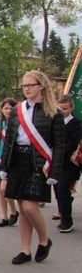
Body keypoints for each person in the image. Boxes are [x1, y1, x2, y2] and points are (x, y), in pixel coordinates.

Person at [0, 70, 64, 264]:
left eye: (30, 85)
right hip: (18, 160)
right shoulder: (18, 110)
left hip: (38, 163)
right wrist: (4, 170)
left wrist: (55, 172)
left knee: (30, 207)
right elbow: (9, 141)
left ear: (41, 86)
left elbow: (59, 145)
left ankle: (44, 239)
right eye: (24, 86)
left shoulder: (54, 112)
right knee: (21, 206)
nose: (26, 89)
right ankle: (25, 249)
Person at [52, 94, 81, 233]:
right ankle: (64, 207)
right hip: (56, 163)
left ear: (72, 107)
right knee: (57, 190)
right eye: (59, 108)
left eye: (65, 108)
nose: (62, 111)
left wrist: (58, 151)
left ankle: (67, 221)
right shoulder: (55, 122)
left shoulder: (76, 124)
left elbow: (72, 145)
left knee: (63, 188)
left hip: (70, 163)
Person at [0, 98, 19, 227]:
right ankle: (4, 216)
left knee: (7, 189)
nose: (8, 110)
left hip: (13, 161)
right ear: (1, 109)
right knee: (1, 190)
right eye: (6, 108)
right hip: (0, 161)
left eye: (11, 108)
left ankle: (14, 211)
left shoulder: (19, 124)